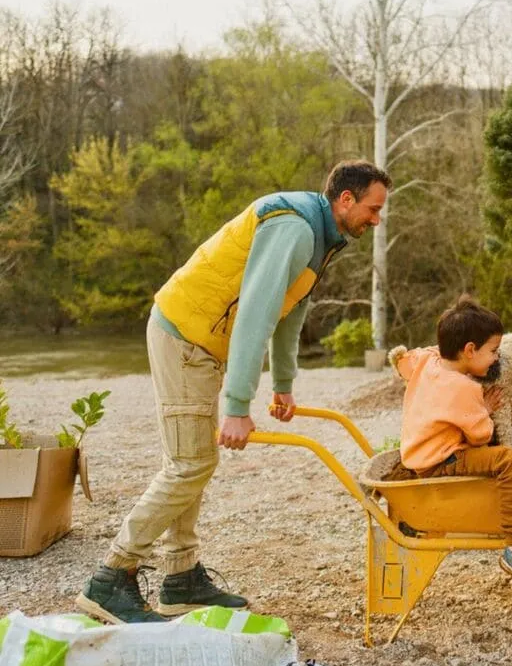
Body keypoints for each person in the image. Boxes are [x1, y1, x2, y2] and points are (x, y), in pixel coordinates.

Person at [76, 160, 392, 624]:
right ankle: (110, 579)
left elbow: (292, 310)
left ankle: (180, 577)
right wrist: (238, 407)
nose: (376, 219)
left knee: (193, 460)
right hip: (186, 334)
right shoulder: (297, 229)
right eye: (373, 208)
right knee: (190, 463)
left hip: (202, 339)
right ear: (346, 199)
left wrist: (284, 383)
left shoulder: (320, 235)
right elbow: (255, 315)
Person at [393, 296, 512, 590]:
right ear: (469, 350)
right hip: (443, 461)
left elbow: (407, 362)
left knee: (506, 408)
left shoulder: (429, 359)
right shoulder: (463, 388)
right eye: (493, 351)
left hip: (422, 448)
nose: (497, 358)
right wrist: (486, 409)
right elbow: (482, 435)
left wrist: (489, 406)